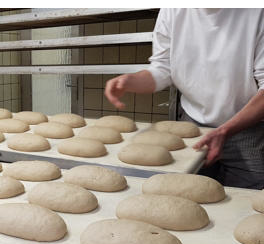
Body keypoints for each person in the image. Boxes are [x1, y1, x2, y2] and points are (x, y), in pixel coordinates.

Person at [105, 8, 264, 189]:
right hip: (192, 129)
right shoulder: (172, 11)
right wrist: (131, 81)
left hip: (247, 130)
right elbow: (163, 68)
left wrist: (225, 131)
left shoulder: (257, 13)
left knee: (246, 202)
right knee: (191, 195)